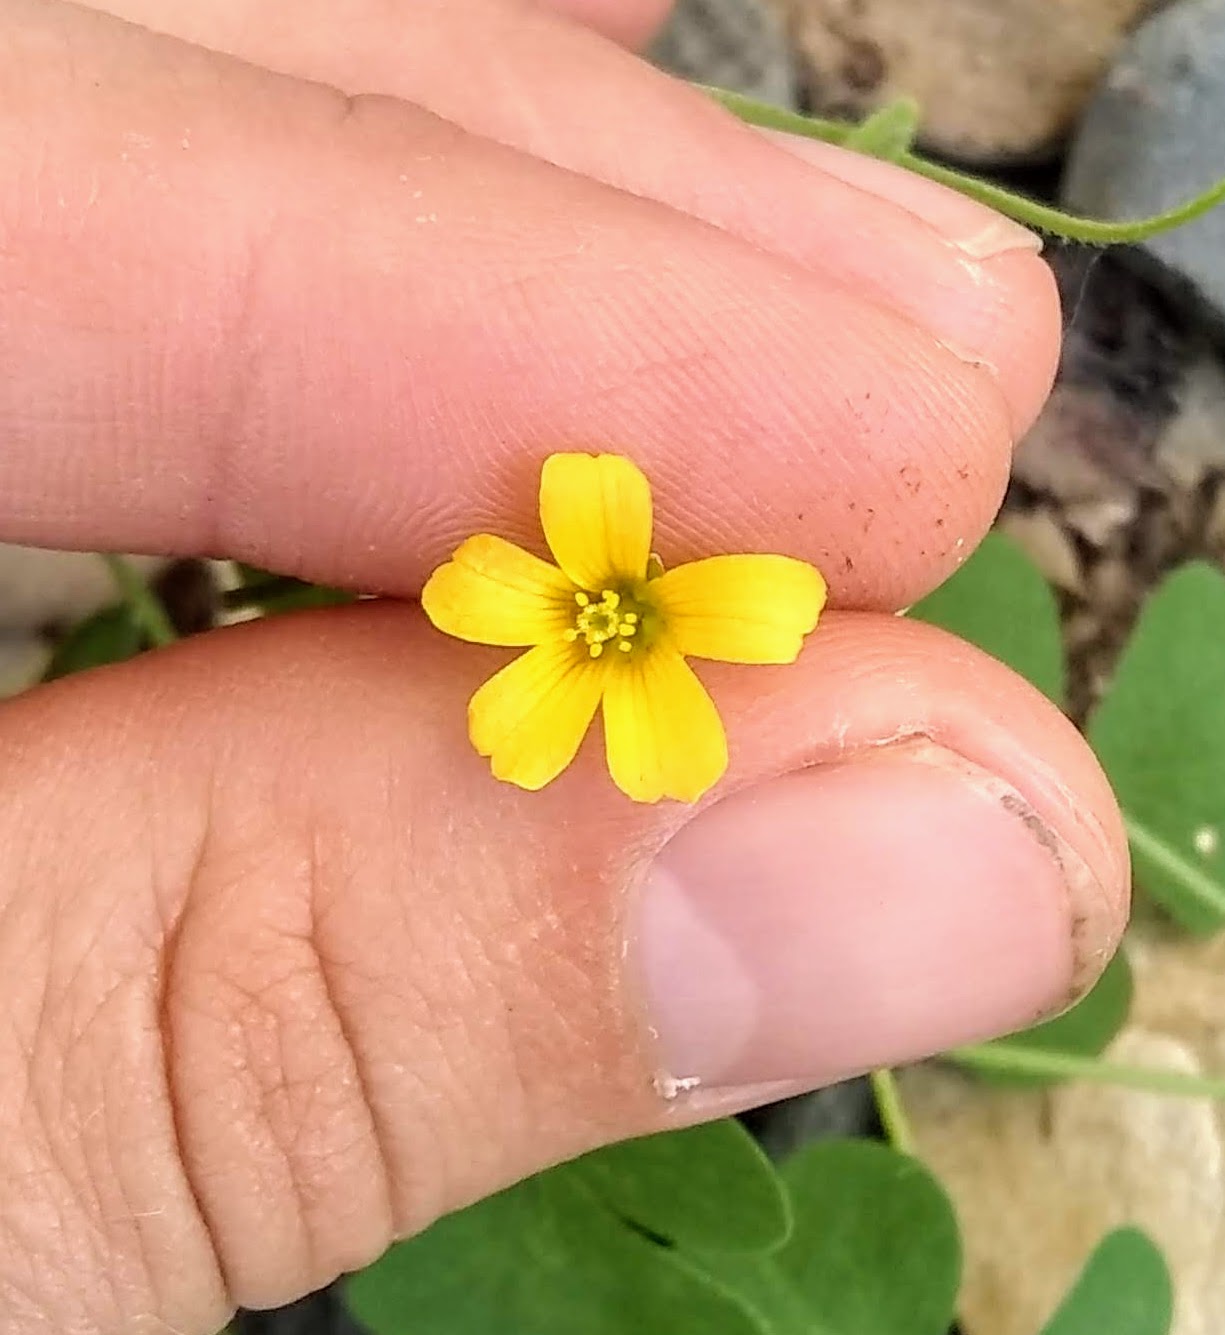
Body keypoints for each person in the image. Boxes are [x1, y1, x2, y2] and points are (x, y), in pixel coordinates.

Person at [0, 0, 1128, 1330]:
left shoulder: (657, 608)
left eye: (615, 616)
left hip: (616, 611)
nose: (606, 621)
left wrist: (611, 613)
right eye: (606, 615)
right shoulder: (579, 584)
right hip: (579, 598)